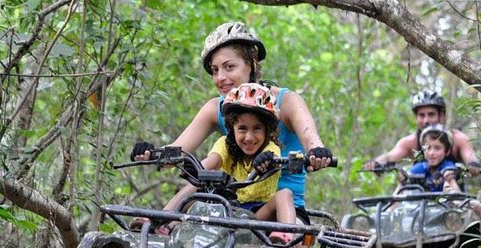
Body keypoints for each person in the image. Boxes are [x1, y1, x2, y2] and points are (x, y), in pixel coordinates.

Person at [130, 21, 332, 225]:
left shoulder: (287, 102)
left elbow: (311, 140)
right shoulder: (216, 108)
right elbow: (176, 151)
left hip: (284, 212)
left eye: (229, 67)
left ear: (252, 64)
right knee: (202, 182)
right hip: (234, 208)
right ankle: (160, 221)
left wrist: (317, 152)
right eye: (215, 70)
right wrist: (152, 152)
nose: (221, 78)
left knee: (292, 246)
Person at [162, 83, 296, 244]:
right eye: (242, 129)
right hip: (226, 208)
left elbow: (272, 160)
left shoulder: (270, 149)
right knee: (194, 188)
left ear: (267, 130)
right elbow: (212, 161)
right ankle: (161, 220)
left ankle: (284, 237)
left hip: (257, 215)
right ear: (232, 127)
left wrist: (266, 162)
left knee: (285, 194)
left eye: (257, 129)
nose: (249, 137)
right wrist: (194, 169)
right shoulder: (225, 144)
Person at [364, 90, 481, 173]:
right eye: (421, 115)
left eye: (431, 114)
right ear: (416, 118)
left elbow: (470, 157)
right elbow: (390, 157)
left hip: (453, 197)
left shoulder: (458, 139)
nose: (426, 120)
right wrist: (375, 163)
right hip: (418, 197)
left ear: (441, 115)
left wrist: (473, 165)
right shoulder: (411, 142)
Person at [409, 124, 461, 193]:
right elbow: (409, 175)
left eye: (437, 148)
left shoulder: (447, 165)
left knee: (449, 179)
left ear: (447, 151)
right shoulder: (421, 167)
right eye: (428, 148)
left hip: (445, 203)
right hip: (424, 203)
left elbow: (449, 171)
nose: (431, 153)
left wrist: (447, 175)